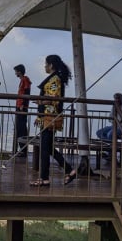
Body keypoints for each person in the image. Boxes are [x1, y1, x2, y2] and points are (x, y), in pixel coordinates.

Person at [30, 54, 77, 187]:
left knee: (45, 148)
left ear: (51, 65)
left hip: (50, 117)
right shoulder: (54, 79)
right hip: (48, 117)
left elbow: (53, 98)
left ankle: (44, 178)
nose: (44, 66)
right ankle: (70, 170)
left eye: (46, 64)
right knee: (48, 147)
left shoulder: (54, 79)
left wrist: (39, 101)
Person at [13, 64, 31, 157]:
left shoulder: (25, 79)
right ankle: (22, 149)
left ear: (19, 71)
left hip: (22, 107)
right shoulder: (22, 80)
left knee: (21, 128)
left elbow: (27, 91)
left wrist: (23, 104)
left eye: (16, 71)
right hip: (20, 106)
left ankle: (23, 150)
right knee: (19, 128)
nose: (15, 73)